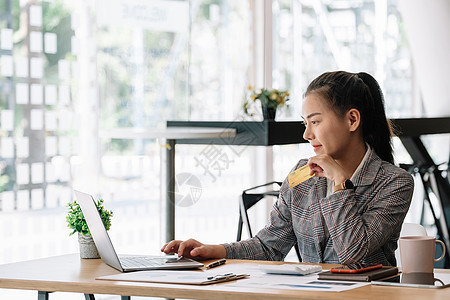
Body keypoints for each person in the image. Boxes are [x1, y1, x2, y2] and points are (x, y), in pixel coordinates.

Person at [161, 71, 414, 266]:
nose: (306, 134)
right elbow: (270, 246)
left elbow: (352, 251)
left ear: (352, 120)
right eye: (305, 123)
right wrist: (215, 250)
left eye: (315, 121)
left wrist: (339, 181)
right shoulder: (302, 175)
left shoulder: (394, 183)